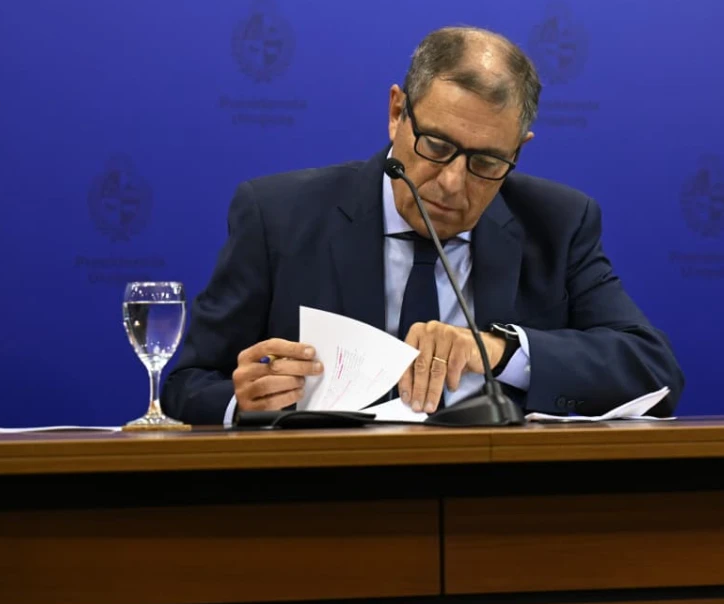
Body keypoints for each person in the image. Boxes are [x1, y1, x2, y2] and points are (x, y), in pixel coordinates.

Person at [163, 26, 685, 424]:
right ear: (397, 113)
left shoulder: (559, 222)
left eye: (486, 163)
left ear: (518, 151)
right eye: (436, 146)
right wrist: (243, 400)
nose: (453, 183)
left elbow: (653, 371)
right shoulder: (277, 215)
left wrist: (497, 351)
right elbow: (187, 381)